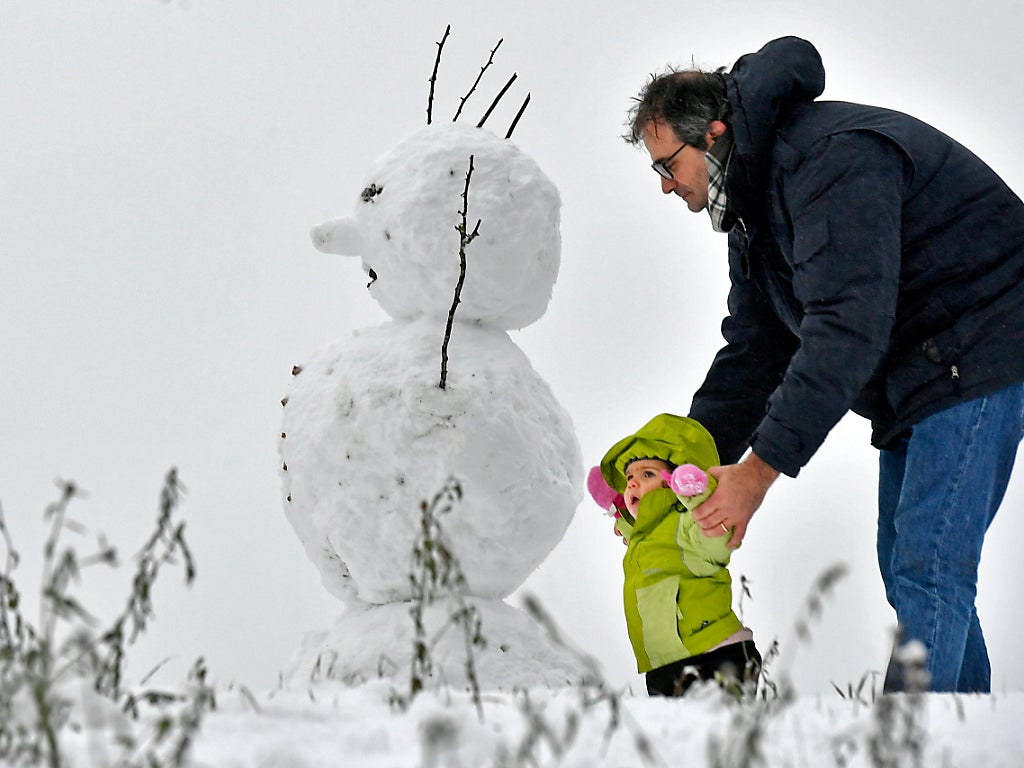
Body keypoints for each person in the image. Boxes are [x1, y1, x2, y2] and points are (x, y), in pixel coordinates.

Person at [623, 36, 1024, 693]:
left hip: (982, 341)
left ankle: (903, 748)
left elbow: (845, 328)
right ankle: (967, 737)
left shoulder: (829, 161)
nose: (666, 186)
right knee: (910, 563)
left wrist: (755, 474)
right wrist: (676, 467)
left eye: (668, 165)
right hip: (922, 372)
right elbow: (757, 351)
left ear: (714, 134)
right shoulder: (753, 210)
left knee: (929, 562)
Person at [592, 412, 761, 697]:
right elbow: (638, 528)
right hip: (663, 664)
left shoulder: (687, 525)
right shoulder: (643, 537)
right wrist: (615, 506)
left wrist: (698, 495)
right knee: (674, 739)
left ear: (675, 482)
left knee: (726, 738)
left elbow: (717, 536)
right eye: (629, 477)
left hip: (713, 654)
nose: (632, 483)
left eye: (647, 474)